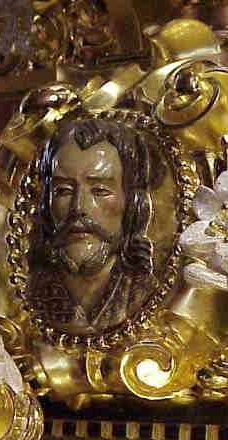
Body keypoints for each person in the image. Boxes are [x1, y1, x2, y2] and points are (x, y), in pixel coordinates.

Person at [31, 118, 154, 335]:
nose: (78, 207)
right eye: (63, 191)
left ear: (133, 204)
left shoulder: (145, 296)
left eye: (100, 191)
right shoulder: (28, 297)